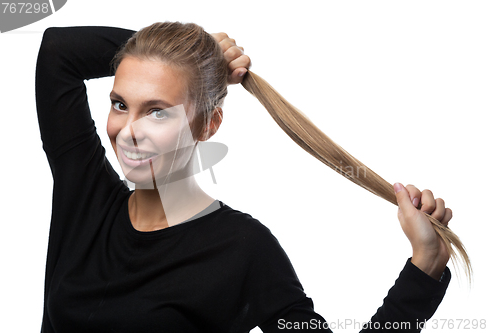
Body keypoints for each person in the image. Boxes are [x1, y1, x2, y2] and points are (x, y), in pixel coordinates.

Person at [35, 22, 452, 332]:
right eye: (120, 104)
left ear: (208, 125)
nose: (128, 131)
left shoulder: (242, 249)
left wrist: (424, 270)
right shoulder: (84, 194)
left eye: (157, 111)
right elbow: (58, 53)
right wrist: (196, 54)